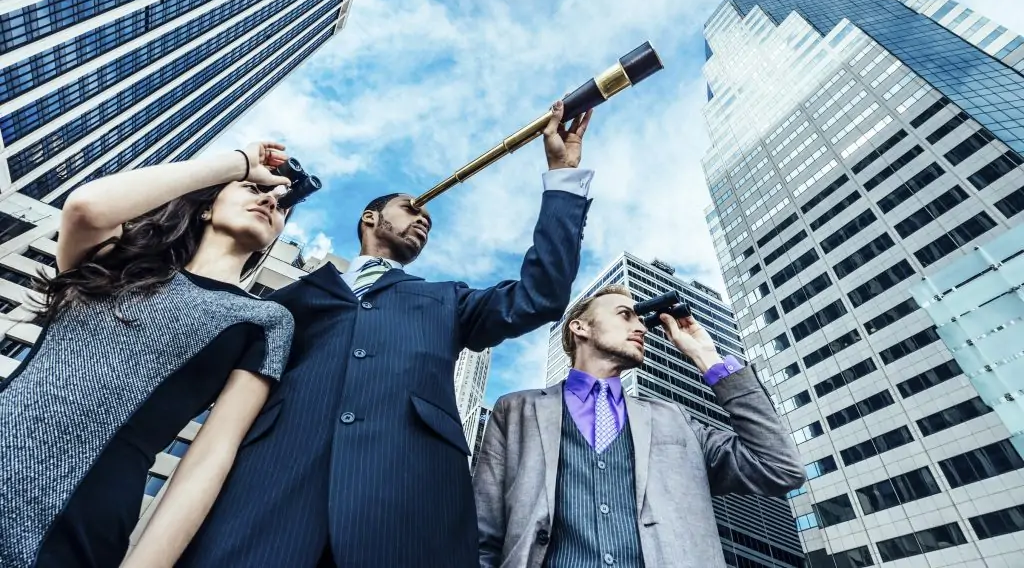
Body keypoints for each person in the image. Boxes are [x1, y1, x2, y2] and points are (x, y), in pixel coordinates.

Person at [180, 101, 595, 568]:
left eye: (428, 222)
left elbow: (541, 296)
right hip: (267, 507)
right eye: (411, 209)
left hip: (407, 517)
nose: (422, 220)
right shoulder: (290, 299)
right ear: (369, 218)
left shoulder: (448, 301)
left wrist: (563, 177)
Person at [0, 142, 298, 568]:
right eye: (251, 189)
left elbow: (211, 457)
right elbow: (85, 207)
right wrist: (241, 162)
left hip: (82, 515)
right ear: (207, 207)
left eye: (281, 207)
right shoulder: (116, 263)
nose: (270, 200)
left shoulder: (265, 319)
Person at [474, 284, 806, 568]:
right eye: (625, 315)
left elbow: (779, 468)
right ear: (580, 328)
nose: (643, 328)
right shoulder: (515, 410)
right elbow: (482, 536)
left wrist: (709, 358)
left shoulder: (676, 421)